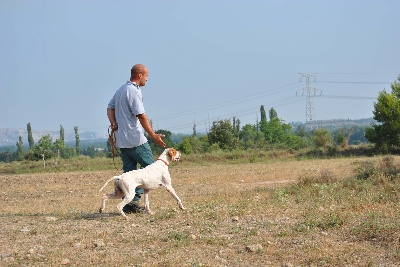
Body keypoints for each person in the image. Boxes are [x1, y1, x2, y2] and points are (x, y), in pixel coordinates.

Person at [107, 64, 166, 213]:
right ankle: (138, 202)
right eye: (146, 76)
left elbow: (110, 108)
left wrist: (113, 123)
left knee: (129, 172)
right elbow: (141, 115)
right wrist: (153, 135)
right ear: (140, 75)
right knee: (151, 170)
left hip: (122, 140)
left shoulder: (121, 90)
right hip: (135, 139)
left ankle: (130, 204)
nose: (147, 79)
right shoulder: (132, 91)